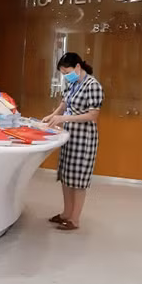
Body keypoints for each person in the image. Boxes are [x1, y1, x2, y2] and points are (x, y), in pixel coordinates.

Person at [42, 52, 104, 231]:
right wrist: (53, 116)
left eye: (66, 71)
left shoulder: (93, 86)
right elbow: (64, 104)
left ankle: (74, 220)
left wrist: (65, 119)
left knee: (78, 180)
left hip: (83, 139)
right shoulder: (73, 83)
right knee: (66, 178)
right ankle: (65, 214)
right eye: (62, 73)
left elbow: (93, 115)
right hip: (68, 137)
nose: (65, 76)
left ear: (78, 67)